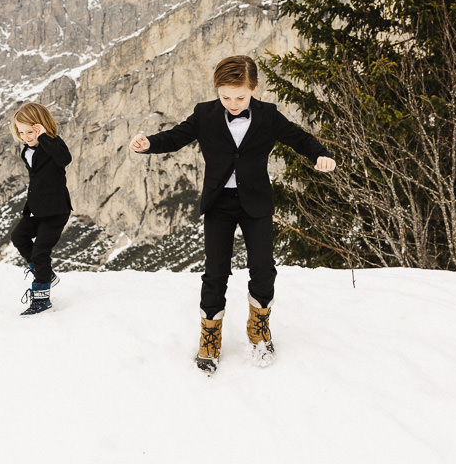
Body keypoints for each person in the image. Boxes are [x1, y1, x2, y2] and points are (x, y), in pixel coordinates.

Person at [129, 55, 336, 373]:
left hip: (256, 202)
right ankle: (209, 338)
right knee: (215, 274)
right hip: (219, 204)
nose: (233, 103)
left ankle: (259, 329)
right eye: (226, 96)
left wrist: (320, 154)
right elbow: (176, 137)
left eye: (240, 96)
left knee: (264, 269)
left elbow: (299, 138)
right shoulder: (205, 114)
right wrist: (148, 144)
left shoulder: (268, 115)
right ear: (217, 91)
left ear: (253, 89)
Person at [9, 102, 73, 316]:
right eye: (21, 132)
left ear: (42, 127)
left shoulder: (52, 144)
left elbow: (65, 159)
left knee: (41, 252)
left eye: (31, 131)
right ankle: (45, 274)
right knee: (18, 236)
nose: (26, 136)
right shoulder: (27, 150)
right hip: (36, 208)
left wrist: (44, 136)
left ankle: (41, 298)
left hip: (55, 210)